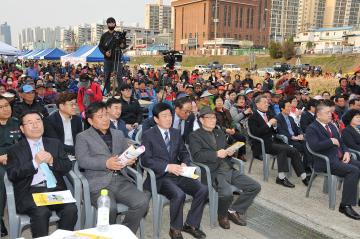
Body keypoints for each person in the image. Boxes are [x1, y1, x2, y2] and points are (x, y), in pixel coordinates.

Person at [75, 102, 149, 233]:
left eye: (106, 115)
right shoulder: (83, 137)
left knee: (142, 201)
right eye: (100, 116)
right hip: (98, 183)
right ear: (91, 121)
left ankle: (123, 233)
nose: (105, 119)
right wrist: (105, 163)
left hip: (120, 180)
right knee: (110, 208)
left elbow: (126, 152)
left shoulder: (118, 134)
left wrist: (130, 158)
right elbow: (83, 161)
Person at [141, 103, 208, 239]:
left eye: (170, 115)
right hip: (160, 177)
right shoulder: (148, 135)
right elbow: (146, 160)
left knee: (203, 189)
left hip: (178, 172)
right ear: (156, 119)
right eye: (164, 116)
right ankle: (175, 228)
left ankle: (191, 224)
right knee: (179, 194)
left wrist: (184, 162)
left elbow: (184, 152)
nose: (168, 119)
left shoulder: (175, 132)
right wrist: (167, 167)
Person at [6, 111, 77, 238]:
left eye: (38, 121)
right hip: (30, 192)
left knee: (71, 209)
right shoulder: (14, 150)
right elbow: (13, 174)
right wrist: (34, 162)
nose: (35, 125)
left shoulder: (54, 143)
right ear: (22, 128)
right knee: (41, 212)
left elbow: (67, 166)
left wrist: (52, 161)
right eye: (30, 122)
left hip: (54, 189)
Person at [189, 106, 261, 229]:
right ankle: (222, 215)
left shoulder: (219, 132)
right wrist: (216, 154)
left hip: (227, 167)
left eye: (214, 118)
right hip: (213, 171)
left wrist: (230, 150)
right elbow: (196, 156)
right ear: (201, 120)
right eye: (209, 118)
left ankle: (233, 210)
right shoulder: (195, 136)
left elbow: (225, 146)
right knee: (227, 193)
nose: (213, 120)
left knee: (254, 186)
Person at [306, 102, 360, 220]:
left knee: (357, 166)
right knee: (353, 171)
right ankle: (345, 205)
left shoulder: (331, 125)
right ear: (318, 115)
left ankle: (357, 199)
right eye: (327, 113)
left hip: (339, 157)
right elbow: (314, 146)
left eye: (330, 112)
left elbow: (341, 142)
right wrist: (330, 141)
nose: (330, 115)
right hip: (326, 162)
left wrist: (346, 152)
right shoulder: (312, 128)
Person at [248, 95, 309, 188]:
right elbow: (256, 133)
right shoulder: (252, 117)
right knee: (282, 149)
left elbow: (275, 131)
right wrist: (269, 124)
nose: (267, 104)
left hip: (273, 141)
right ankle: (281, 178)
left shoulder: (268, 115)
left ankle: (304, 176)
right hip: (262, 143)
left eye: (267, 102)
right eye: (264, 102)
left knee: (293, 150)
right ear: (257, 104)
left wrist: (275, 126)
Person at [0, 96, 22, 237]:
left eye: (7, 105)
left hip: (17, 157)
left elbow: (25, 143)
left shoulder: (16, 122)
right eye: (0, 107)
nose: (5, 109)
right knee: (2, 177)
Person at [99, 17, 124, 94]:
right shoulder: (104, 36)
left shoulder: (119, 34)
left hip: (117, 58)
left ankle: (120, 92)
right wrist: (105, 53)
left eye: (112, 23)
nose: (111, 24)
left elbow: (123, 45)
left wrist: (122, 44)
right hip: (107, 59)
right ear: (107, 25)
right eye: (109, 23)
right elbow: (100, 46)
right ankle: (108, 92)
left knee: (119, 76)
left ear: (115, 24)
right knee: (107, 76)